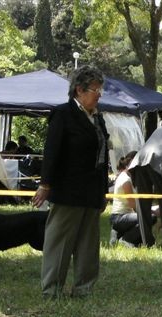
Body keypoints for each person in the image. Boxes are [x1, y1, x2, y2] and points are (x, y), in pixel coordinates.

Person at [32, 65, 110, 298]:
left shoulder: (98, 118)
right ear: (79, 90)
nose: (98, 95)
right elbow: (52, 151)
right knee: (60, 241)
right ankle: (52, 289)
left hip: (92, 190)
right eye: (95, 89)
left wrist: (103, 191)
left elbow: (102, 155)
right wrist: (45, 184)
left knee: (88, 244)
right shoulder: (63, 114)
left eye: (100, 90)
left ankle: (84, 288)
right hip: (68, 189)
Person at [109, 151, 143, 247]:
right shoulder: (125, 180)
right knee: (146, 218)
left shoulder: (129, 177)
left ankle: (118, 234)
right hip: (119, 217)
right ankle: (126, 240)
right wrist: (150, 211)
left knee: (147, 217)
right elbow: (133, 205)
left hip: (126, 215)